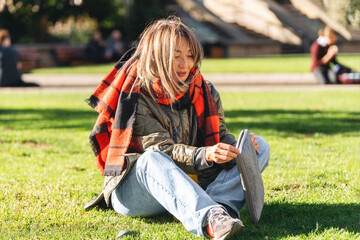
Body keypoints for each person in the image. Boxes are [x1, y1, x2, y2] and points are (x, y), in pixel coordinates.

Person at [85, 17, 270, 240]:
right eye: (176, 56)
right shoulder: (136, 94)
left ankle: (218, 208)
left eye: (190, 55)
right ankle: (208, 217)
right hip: (140, 190)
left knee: (261, 147)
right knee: (151, 159)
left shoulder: (204, 89)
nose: (185, 64)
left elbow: (219, 135)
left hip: (194, 180)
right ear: (157, 56)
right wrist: (207, 154)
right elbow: (162, 149)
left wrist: (237, 147)